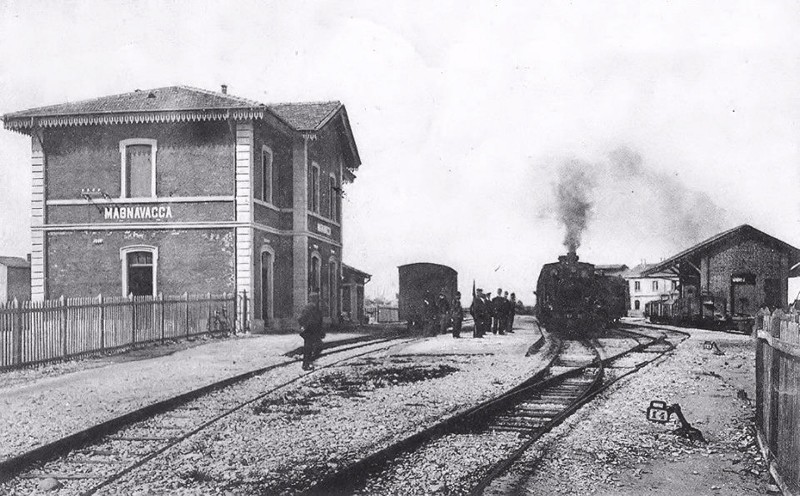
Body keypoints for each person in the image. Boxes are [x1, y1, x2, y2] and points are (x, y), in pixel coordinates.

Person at [298, 293, 324, 370]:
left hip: (313, 331)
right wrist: (304, 326)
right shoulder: (309, 308)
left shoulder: (314, 308)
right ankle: (306, 364)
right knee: (311, 348)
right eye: (316, 299)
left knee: (312, 347)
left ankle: (308, 363)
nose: (317, 301)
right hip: (310, 331)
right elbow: (301, 318)